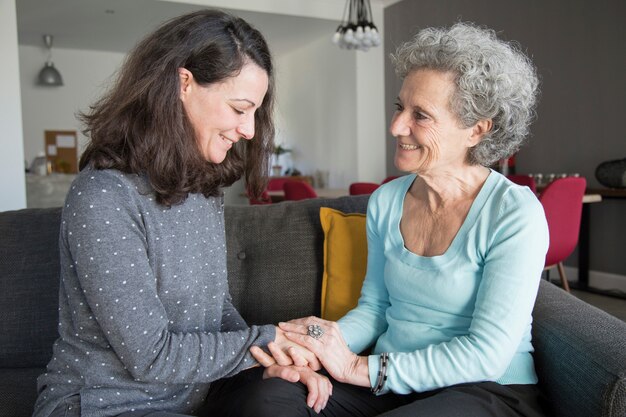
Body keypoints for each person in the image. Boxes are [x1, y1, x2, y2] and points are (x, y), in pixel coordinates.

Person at [224, 22, 550, 417]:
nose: (396, 127)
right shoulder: (387, 201)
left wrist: (357, 367)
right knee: (265, 396)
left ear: (476, 131)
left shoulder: (513, 213)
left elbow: (486, 354)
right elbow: (375, 308)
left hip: (484, 388)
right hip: (389, 380)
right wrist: (316, 345)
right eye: (400, 107)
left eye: (421, 115)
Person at [32, 9, 331, 417]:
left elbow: (216, 307)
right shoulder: (103, 195)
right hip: (106, 404)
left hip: (193, 399)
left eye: (255, 113)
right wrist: (268, 340)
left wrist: (275, 360)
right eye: (240, 108)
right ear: (183, 83)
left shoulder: (201, 188)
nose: (249, 130)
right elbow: (151, 356)